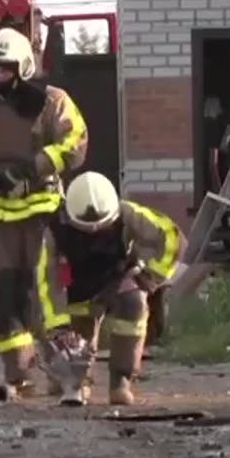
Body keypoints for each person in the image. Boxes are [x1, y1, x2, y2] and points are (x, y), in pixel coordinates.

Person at [0, 27, 89, 397]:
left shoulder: (50, 100)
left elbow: (75, 141)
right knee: (2, 299)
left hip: (40, 212)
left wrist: (33, 167)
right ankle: (19, 374)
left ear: (23, 66)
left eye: (5, 68)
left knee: (46, 298)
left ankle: (67, 375)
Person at [38, 172, 184, 406]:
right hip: (77, 292)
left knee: (133, 303)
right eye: (87, 229)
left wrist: (149, 277)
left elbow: (170, 236)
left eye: (102, 227)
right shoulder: (54, 230)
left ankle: (120, 383)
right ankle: (75, 383)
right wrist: (59, 325)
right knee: (74, 350)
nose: (95, 232)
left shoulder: (128, 214)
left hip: (117, 281)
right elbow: (46, 280)